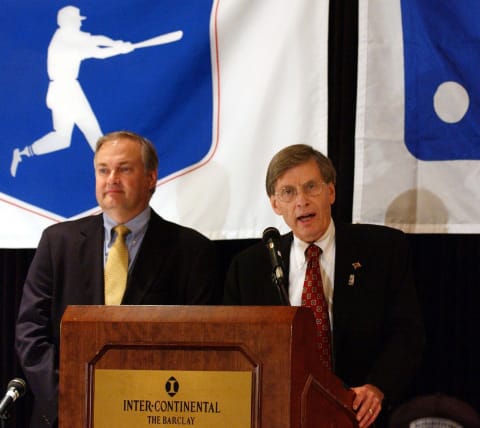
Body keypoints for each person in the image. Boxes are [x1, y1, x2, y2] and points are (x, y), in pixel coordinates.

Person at [15, 130, 219, 427]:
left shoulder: (192, 251)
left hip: (153, 414)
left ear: (151, 178)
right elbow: (30, 331)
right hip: (64, 414)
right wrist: (69, 396)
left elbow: (200, 344)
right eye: (103, 170)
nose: (112, 178)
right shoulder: (57, 242)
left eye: (124, 169)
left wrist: (141, 405)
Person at [223, 144, 425, 428]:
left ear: (331, 192)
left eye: (311, 187)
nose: (301, 201)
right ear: (275, 204)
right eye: (288, 192)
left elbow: (407, 334)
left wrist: (377, 387)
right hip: (279, 415)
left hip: (358, 414)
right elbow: (235, 349)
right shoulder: (249, 268)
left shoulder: (382, 250)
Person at [10, 6, 134, 177]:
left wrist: (115, 43)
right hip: (65, 90)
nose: (79, 23)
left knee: (62, 138)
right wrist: (119, 50)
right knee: (91, 131)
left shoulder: (69, 35)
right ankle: (108, 172)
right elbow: (97, 53)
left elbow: (96, 39)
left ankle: (23, 154)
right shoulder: (64, 42)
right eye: (76, 20)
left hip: (64, 89)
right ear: (67, 22)